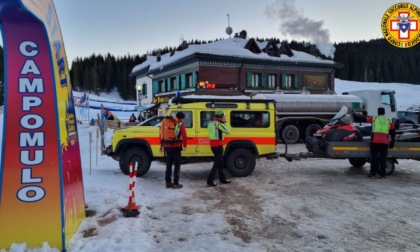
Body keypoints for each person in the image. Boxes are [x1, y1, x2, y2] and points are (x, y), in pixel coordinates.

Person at [356, 107, 395, 179]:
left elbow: (364, 119)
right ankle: (383, 175)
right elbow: (392, 133)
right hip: (384, 142)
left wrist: (357, 116)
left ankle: (373, 174)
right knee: (383, 159)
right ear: (384, 113)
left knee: (374, 159)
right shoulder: (389, 120)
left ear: (378, 112)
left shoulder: (374, 118)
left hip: (375, 141)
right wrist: (392, 142)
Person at [159, 112, 187, 189]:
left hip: (167, 146)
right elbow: (184, 135)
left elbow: (161, 133)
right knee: (177, 166)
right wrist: (184, 145)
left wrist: (161, 145)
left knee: (168, 165)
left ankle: (168, 182)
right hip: (176, 147)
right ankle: (176, 183)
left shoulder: (165, 122)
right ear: (181, 118)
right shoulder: (179, 124)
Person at [207, 110, 231, 187]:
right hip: (218, 146)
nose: (224, 117)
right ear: (220, 117)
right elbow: (228, 131)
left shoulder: (211, 123)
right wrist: (226, 122)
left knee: (220, 162)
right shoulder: (218, 124)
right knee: (217, 164)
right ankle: (210, 181)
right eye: (223, 116)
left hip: (213, 145)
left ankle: (222, 178)